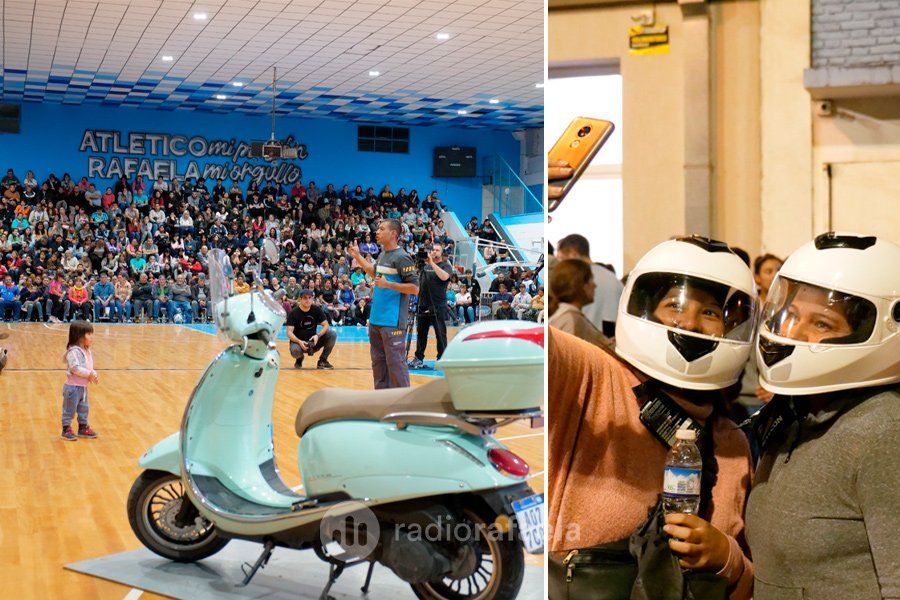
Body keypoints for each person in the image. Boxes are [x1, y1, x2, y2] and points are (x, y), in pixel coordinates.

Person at [549, 236, 756, 599]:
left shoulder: (733, 443)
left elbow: (748, 584)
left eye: (710, 313)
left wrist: (728, 558)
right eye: (674, 304)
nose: (690, 323)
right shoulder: (592, 376)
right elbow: (542, 346)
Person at [745, 232, 900, 599]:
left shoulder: (883, 432)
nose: (794, 333)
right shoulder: (796, 415)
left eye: (822, 324)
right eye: (791, 315)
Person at [348, 219, 419, 389]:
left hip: (392, 321)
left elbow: (415, 288)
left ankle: (403, 402)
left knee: (396, 365)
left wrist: (389, 285)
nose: (376, 232)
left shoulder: (402, 257)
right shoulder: (382, 254)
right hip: (376, 320)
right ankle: (382, 402)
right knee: (378, 365)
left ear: (393, 234)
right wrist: (357, 256)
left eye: (381, 229)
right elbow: (375, 273)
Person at [555, 234, 624, 338]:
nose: (560, 265)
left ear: (574, 254)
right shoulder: (614, 280)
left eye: (561, 259)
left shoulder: (573, 279)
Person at [549, 259, 611, 350]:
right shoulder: (571, 319)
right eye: (591, 279)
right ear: (580, 284)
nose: (594, 285)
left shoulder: (569, 316)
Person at [410, 242, 452, 369]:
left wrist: (432, 263)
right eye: (433, 250)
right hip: (423, 305)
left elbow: (444, 277)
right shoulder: (424, 267)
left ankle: (442, 359)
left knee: (440, 334)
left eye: (437, 250)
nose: (434, 252)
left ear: (441, 252)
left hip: (438, 306)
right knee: (421, 334)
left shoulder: (446, 265)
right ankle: (418, 358)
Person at [60, 320, 99, 441]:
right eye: (89, 334)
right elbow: (75, 368)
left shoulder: (87, 351)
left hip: (83, 388)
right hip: (73, 388)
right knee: (69, 409)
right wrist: (89, 374)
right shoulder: (73, 352)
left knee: (84, 408)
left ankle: (82, 427)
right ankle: (66, 429)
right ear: (79, 336)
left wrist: (94, 374)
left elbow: (89, 367)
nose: (91, 337)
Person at [285, 289, 336, 369]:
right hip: (299, 343)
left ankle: (322, 361)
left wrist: (317, 336)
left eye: (310, 297)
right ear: (300, 299)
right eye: (305, 298)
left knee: (332, 334)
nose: (307, 300)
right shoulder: (293, 313)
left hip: (313, 342)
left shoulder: (316, 309)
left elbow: (326, 325)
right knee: (295, 351)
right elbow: (289, 332)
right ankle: (299, 358)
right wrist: (299, 341)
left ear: (312, 299)